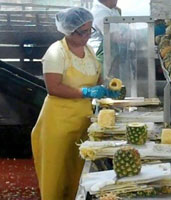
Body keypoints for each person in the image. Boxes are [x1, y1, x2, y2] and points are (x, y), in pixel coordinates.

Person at [31, 7, 119, 200]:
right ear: (70, 31)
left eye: (90, 31)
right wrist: (85, 92)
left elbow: (95, 79)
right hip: (57, 122)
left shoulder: (88, 50)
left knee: (76, 172)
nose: (88, 36)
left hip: (82, 121)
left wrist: (106, 89)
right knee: (55, 173)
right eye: (83, 32)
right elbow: (53, 87)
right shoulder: (56, 52)